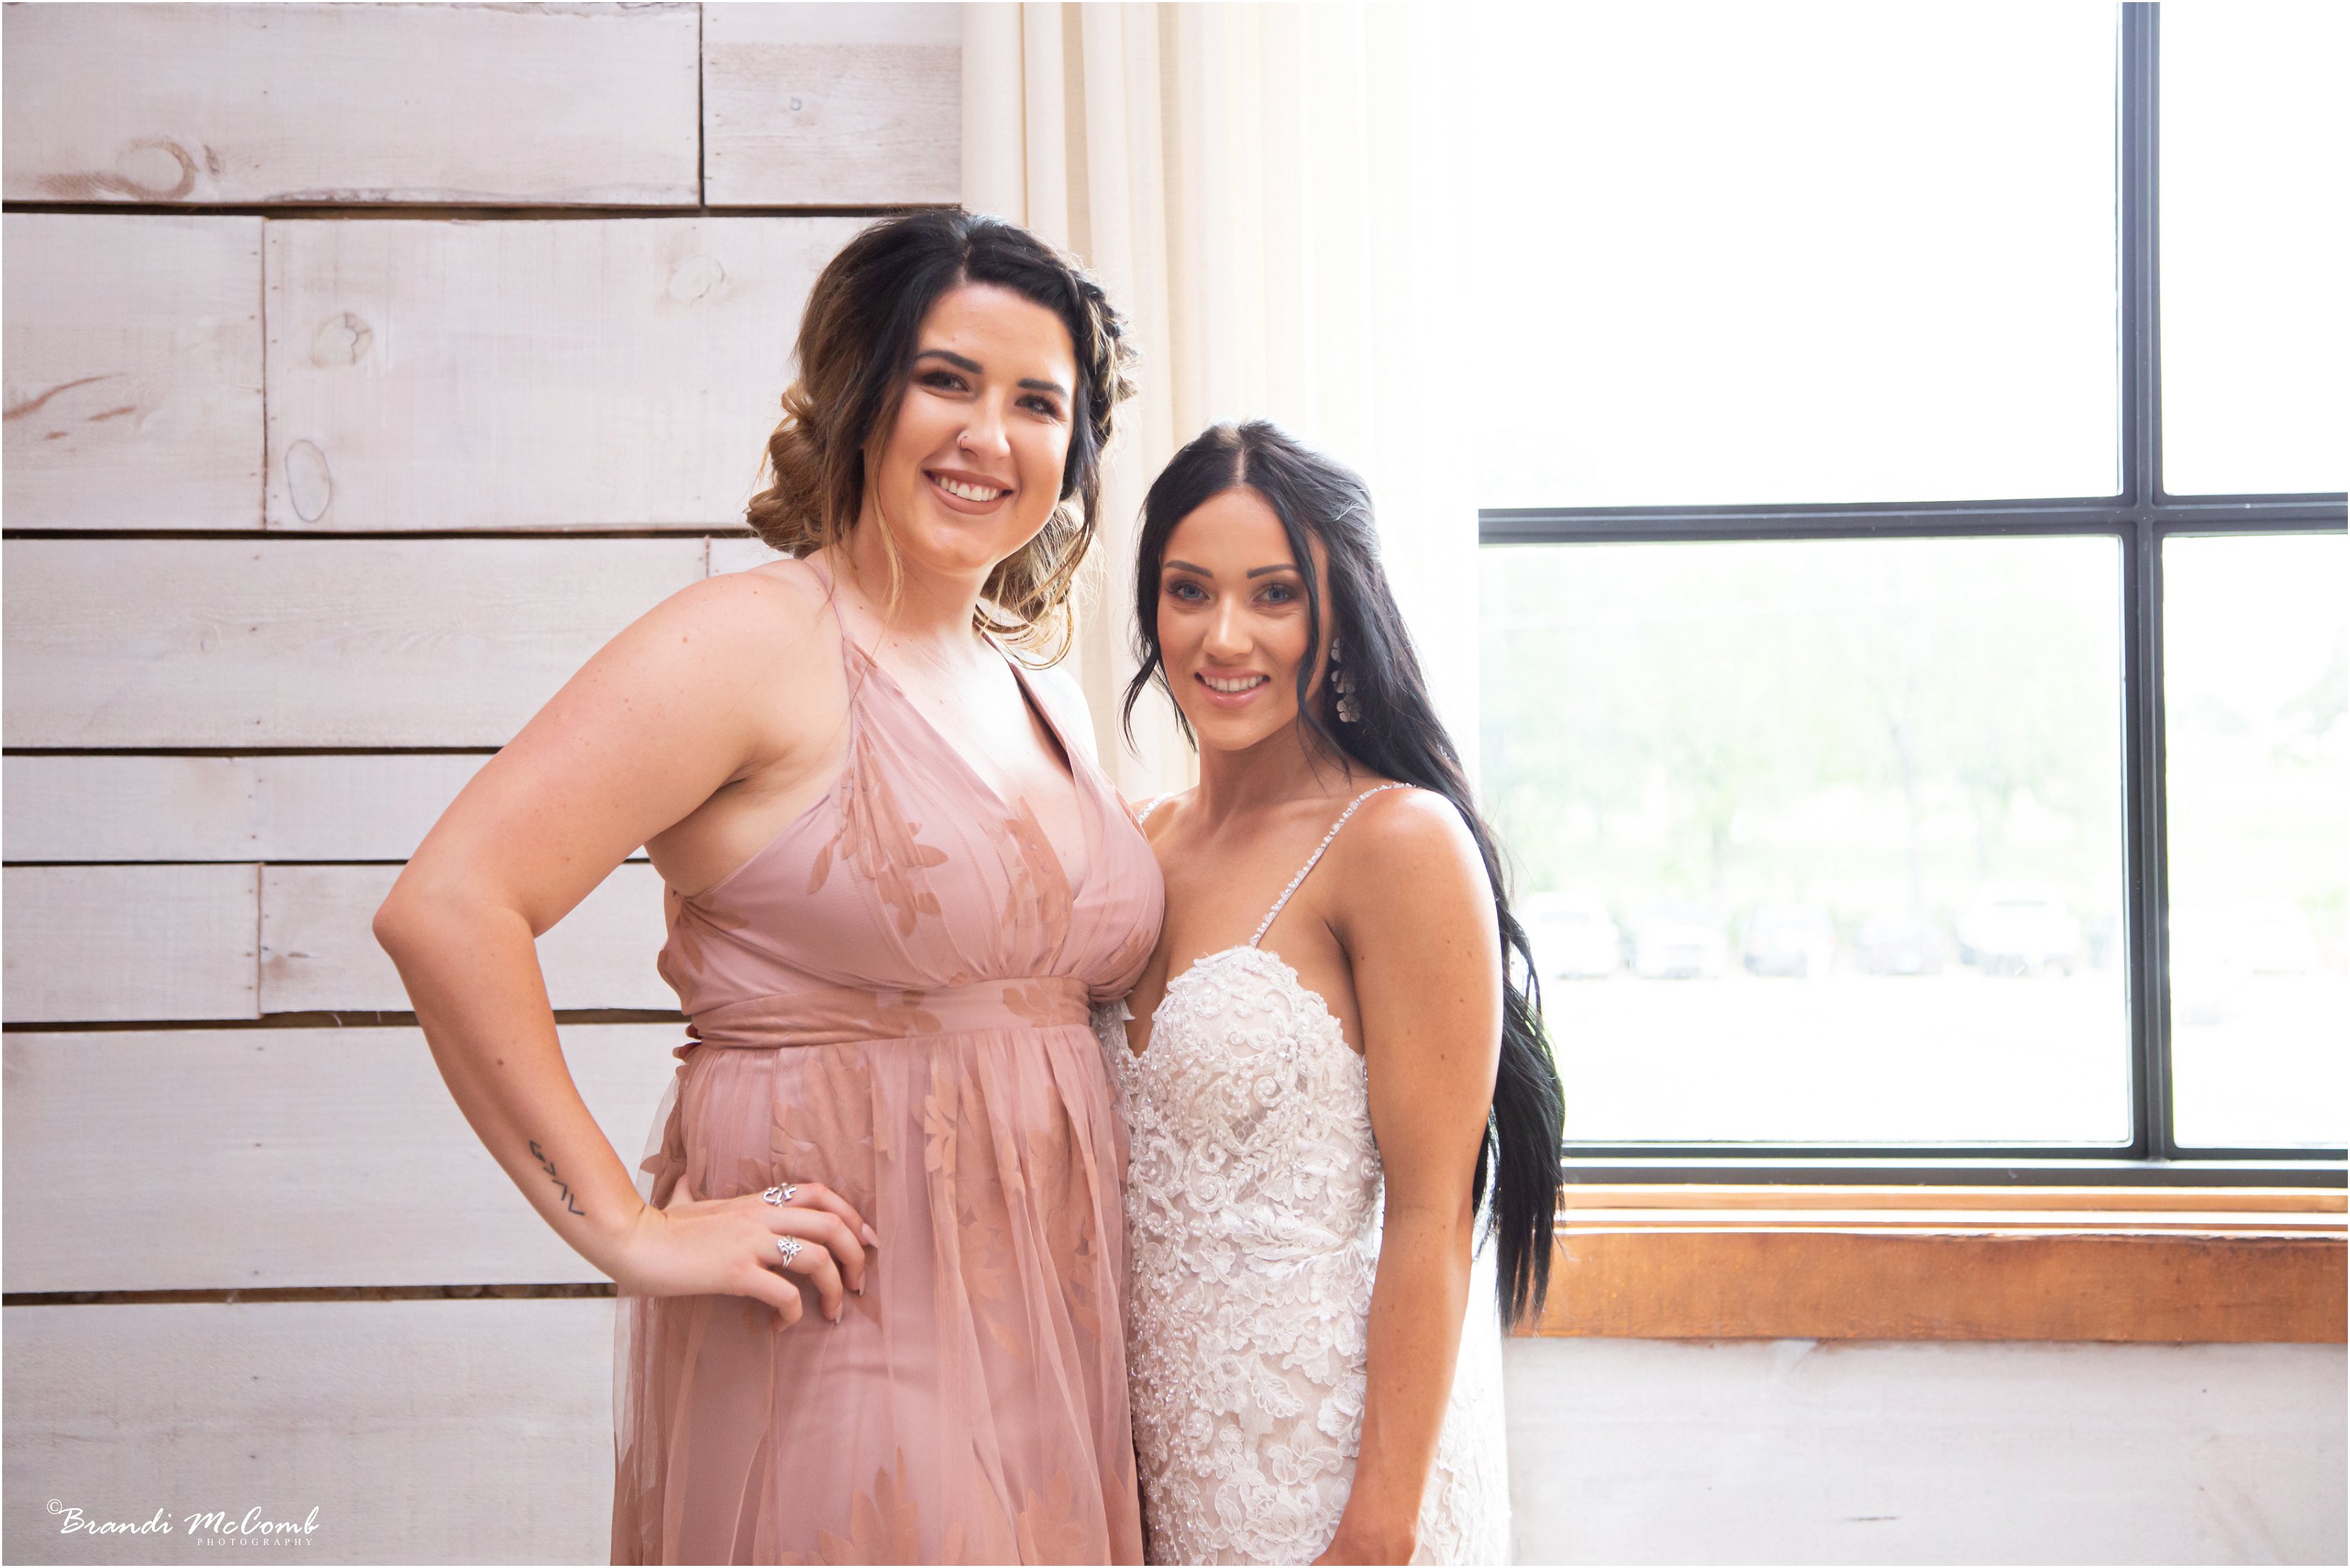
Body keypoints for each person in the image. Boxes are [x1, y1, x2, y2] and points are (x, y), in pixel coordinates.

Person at [372, 209, 1163, 1564]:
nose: (989, 435)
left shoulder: (1045, 696)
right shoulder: (752, 641)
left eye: (1039, 402)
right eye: (946, 380)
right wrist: (626, 1230)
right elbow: (448, 906)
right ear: (861, 394)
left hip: (1049, 1342)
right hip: (849, 1334)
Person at [1103, 422, 1566, 1565]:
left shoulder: (1397, 841)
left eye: (1274, 594)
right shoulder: (1131, 843)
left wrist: (1377, 1528)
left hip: (1333, 1472)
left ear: (1339, 615)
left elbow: (1431, 1211)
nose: (1225, 635)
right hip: (1160, 1469)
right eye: (1188, 590)